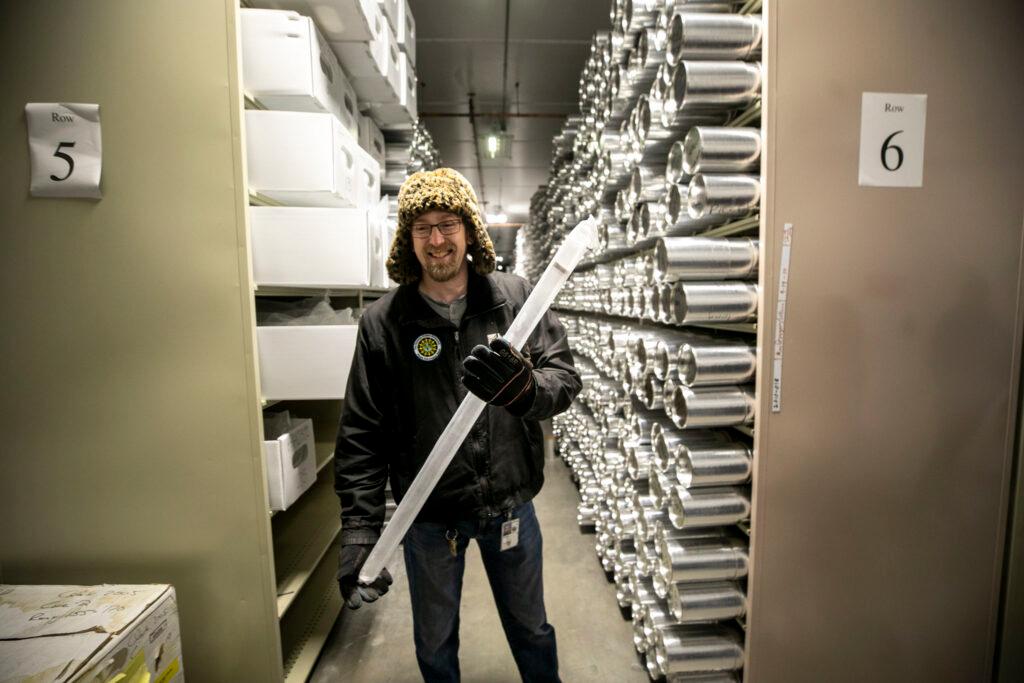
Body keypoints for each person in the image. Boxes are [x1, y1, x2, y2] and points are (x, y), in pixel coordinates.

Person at [334, 168, 582, 683]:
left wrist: (527, 391)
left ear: (470, 229)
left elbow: (564, 377)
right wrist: (360, 529)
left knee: (531, 627)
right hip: (429, 519)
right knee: (434, 643)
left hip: (509, 503)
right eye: (421, 228)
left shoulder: (514, 299)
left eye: (448, 223)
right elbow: (362, 432)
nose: (437, 239)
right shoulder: (383, 323)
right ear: (408, 239)